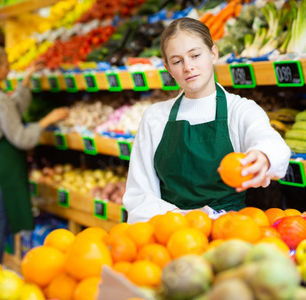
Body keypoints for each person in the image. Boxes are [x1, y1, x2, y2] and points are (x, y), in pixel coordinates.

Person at [123, 17, 291, 223]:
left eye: (195, 55)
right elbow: (139, 194)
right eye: (177, 61)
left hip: (231, 230)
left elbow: (272, 143)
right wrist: (183, 218)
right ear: (168, 68)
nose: (188, 67)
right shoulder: (155, 117)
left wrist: (263, 156)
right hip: (173, 231)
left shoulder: (239, 110)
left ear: (213, 54)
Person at [0, 42, 69, 262]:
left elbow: (9, 112)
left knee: (2, 216)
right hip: (3, 164)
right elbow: (21, 137)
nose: (8, 69)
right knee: (4, 219)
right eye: (5, 66)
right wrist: (46, 121)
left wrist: (27, 79)